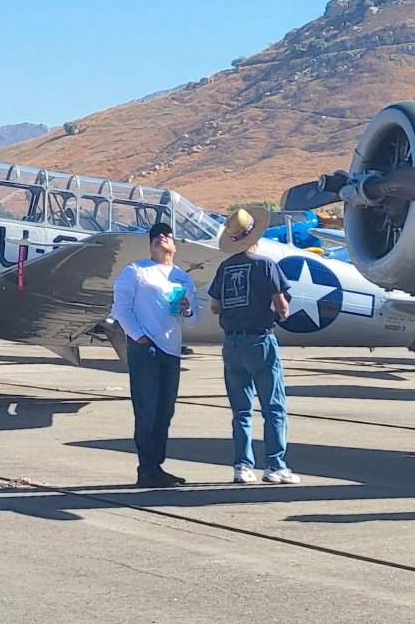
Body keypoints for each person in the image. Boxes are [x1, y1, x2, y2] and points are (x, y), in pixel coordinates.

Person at [207, 207, 299, 485]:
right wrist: (280, 313)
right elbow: (282, 305)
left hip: (232, 343)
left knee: (241, 411)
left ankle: (242, 466)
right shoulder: (265, 265)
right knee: (273, 408)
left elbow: (214, 306)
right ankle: (275, 465)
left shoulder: (225, 267)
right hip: (260, 340)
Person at [110, 222, 199, 488]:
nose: (161, 237)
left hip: (171, 349)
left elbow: (192, 321)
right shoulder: (136, 271)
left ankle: (156, 465)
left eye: (166, 235)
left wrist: (187, 309)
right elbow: (121, 308)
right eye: (155, 236)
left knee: (165, 411)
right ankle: (146, 468)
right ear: (150, 245)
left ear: (175, 245)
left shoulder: (183, 278)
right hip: (145, 348)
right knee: (146, 411)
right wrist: (139, 336)